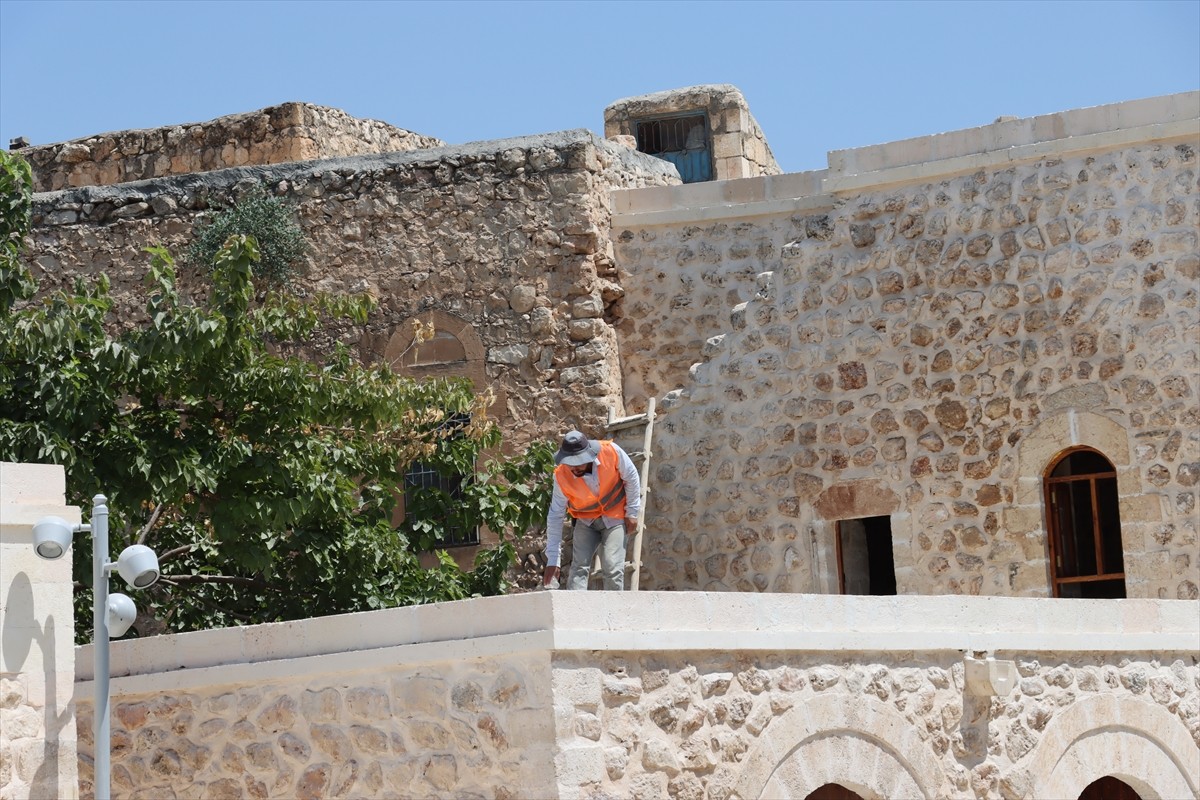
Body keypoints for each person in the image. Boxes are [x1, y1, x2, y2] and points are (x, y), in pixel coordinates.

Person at [543, 430, 641, 590]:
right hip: (585, 520)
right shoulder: (561, 475)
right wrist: (553, 560)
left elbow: (631, 477)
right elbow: (556, 514)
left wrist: (632, 513)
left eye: (578, 462)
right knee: (578, 568)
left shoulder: (611, 452)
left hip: (614, 516)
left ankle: (613, 611)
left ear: (589, 455)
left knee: (612, 567)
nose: (574, 467)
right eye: (570, 463)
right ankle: (576, 612)